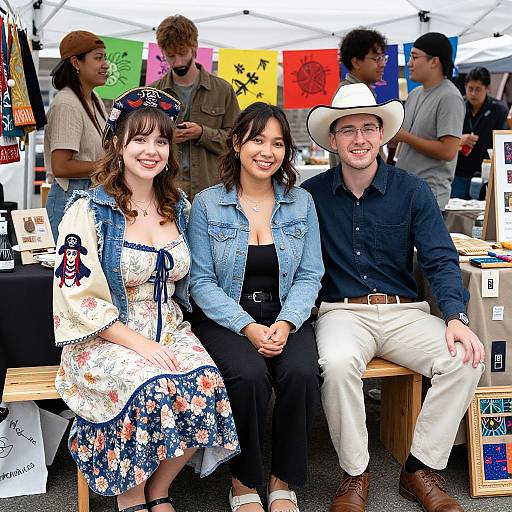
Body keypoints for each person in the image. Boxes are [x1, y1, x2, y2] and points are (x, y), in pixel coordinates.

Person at [52, 87, 239, 512]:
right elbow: (76, 295)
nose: (151, 150)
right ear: (118, 144)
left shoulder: (180, 206)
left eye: (161, 140)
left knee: (208, 386)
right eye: (139, 139)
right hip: (104, 337)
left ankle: (159, 489)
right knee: (148, 388)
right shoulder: (89, 210)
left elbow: (195, 278)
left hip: (170, 327)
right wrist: (141, 345)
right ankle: (130, 497)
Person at [302, 83, 484, 512]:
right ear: (333, 139)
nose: (359, 139)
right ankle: (355, 473)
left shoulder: (412, 191)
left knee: (464, 357)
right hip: (342, 312)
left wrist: (456, 316)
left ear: (382, 134)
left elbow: (440, 258)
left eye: (368, 128)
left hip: (405, 312)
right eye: (348, 130)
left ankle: (418, 468)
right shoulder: (311, 197)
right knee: (338, 362)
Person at [188, 102, 323, 512]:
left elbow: (310, 274)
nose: (267, 151)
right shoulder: (208, 204)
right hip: (226, 317)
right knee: (247, 377)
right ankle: (243, 483)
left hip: (285, 312)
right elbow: (200, 281)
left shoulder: (301, 202)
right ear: (236, 143)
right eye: (258, 140)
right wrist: (247, 326)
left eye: (278, 143)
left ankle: (283, 481)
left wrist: (286, 321)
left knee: (301, 374)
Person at [151, 14, 240, 199]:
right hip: (164, 191)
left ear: (195, 47)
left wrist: (202, 133)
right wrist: (165, 137)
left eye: (182, 53)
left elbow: (239, 144)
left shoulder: (222, 90)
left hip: (213, 193)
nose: (178, 62)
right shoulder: (153, 93)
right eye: (171, 56)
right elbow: (139, 142)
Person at [44, 30, 109, 240]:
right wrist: (107, 165)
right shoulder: (67, 104)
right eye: (98, 58)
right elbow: (61, 167)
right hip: (69, 199)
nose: (105, 65)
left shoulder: (95, 99)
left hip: (89, 195)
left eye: (104, 58)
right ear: (76, 62)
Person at [391, 32, 465, 211]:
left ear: (434, 61)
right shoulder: (415, 93)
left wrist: (405, 137)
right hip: (405, 191)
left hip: (429, 196)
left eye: (414, 57)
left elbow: (448, 151)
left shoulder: (450, 97)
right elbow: (401, 137)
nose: (409, 63)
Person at [329, 28, 388, 169]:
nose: (382, 64)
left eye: (383, 58)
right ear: (356, 62)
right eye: (376, 59)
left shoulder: (365, 92)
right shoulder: (347, 94)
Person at [451, 67, 508, 199]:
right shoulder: (458, 105)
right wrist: (459, 139)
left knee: (482, 217)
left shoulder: (498, 110)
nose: (473, 94)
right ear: (465, 87)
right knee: (456, 215)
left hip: (485, 176)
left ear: (487, 88)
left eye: (478, 89)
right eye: (470, 88)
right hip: (459, 173)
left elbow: (503, 143)